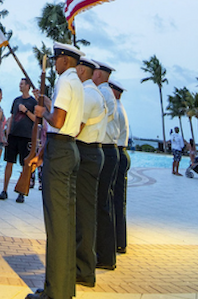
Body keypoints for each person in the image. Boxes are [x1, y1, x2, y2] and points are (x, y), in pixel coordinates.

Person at [27, 42, 84, 299]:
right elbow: (72, 122)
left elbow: (57, 120)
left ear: (64, 61)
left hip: (60, 152)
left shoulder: (64, 81)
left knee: (56, 224)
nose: (54, 63)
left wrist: (42, 111)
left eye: (56, 59)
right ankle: (63, 287)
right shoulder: (78, 84)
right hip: (70, 148)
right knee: (66, 222)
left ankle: (54, 293)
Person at [75, 57, 107, 288]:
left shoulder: (87, 94)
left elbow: (75, 128)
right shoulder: (94, 93)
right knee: (86, 213)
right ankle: (84, 265)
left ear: (82, 69)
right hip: (91, 152)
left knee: (84, 215)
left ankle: (83, 268)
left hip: (86, 153)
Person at [92, 59, 120, 271]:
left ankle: (104, 255)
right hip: (111, 151)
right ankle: (105, 255)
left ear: (99, 75)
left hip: (107, 149)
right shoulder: (108, 93)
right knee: (104, 205)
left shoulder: (102, 93)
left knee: (101, 206)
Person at [0, 78, 37, 203]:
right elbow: (12, 117)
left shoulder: (32, 102)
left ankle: (21, 192)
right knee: (9, 162)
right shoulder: (16, 100)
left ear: (27, 86)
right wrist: (7, 134)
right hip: (13, 135)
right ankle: (4, 190)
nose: (20, 85)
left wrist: (26, 111)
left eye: (22, 84)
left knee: (24, 165)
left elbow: (36, 119)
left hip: (26, 137)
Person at [109, 79, 131, 255]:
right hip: (122, 153)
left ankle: (118, 241)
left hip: (118, 153)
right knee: (119, 200)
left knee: (116, 200)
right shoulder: (119, 107)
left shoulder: (115, 109)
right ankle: (119, 240)